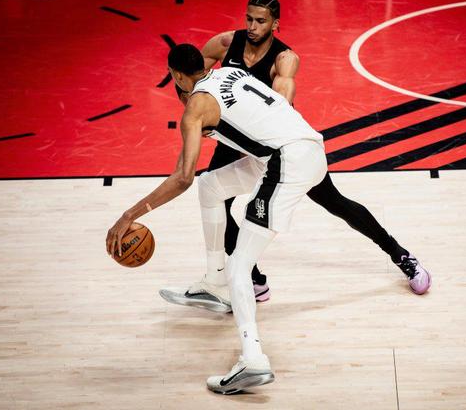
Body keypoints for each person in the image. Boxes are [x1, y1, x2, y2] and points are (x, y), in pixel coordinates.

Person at [160, 0, 430, 314]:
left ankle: (401, 256)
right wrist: (197, 115)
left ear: (276, 24)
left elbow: (283, 100)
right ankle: (252, 279)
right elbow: (189, 82)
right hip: (234, 142)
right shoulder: (225, 43)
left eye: (261, 21)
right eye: (249, 18)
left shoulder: (284, 59)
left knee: (335, 202)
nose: (252, 26)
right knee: (218, 200)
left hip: (275, 145)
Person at [108, 43, 330, 393]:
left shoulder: (196, 105)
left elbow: (181, 177)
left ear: (177, 75)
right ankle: (215, 283)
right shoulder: (230, 72)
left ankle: (253, 359)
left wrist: (128, 215)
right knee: (210, 185)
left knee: (240, 264)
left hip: (287, 162)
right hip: (307, 148)